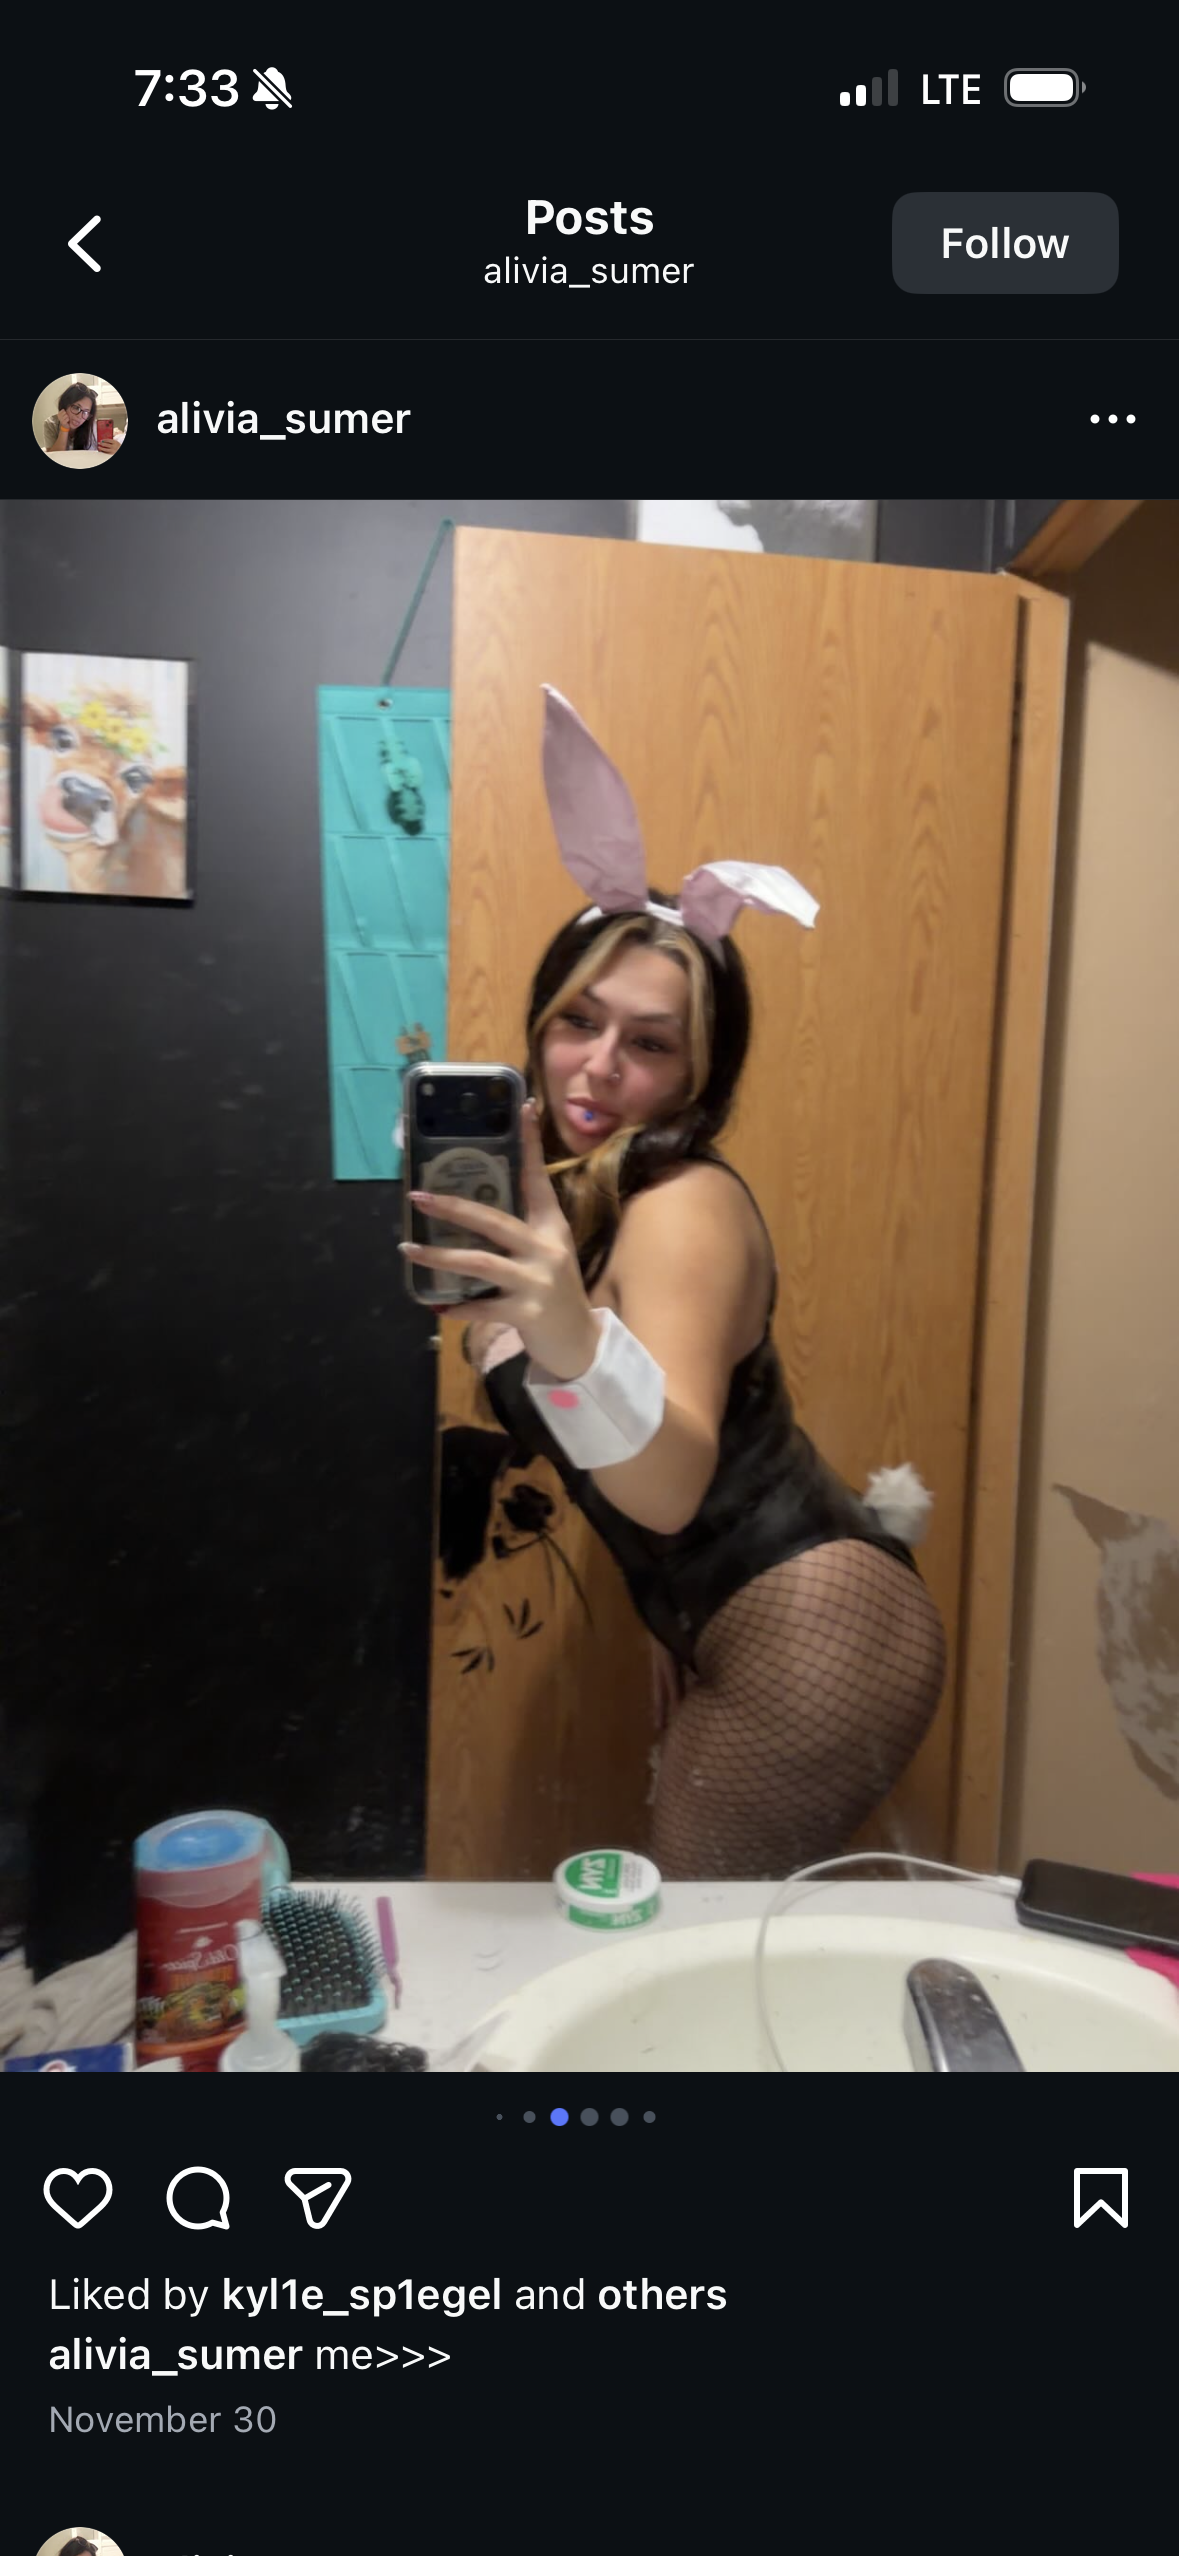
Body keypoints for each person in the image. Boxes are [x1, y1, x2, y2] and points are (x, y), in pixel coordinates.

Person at [406, 688, 947, 1880]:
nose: (596, 1066)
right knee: (721, 1934)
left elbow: (670, 1484)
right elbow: (653, 1477)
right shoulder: (583, 1203)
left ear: (700, 1074)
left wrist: (561, 1330)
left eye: (648, 1043)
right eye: (577, 1022)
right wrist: (677, 1613)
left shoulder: (679, 1207)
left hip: (816, 1636)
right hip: (751, 1618)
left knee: (699, 1932)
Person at [43, 384, 98, 451]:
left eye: (86, 412)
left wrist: (110, 450)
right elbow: (53, 455)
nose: (79, 416)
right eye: (76, 408)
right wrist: (64, 428)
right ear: (65, 405)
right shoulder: (51, 424)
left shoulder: (93, 427)